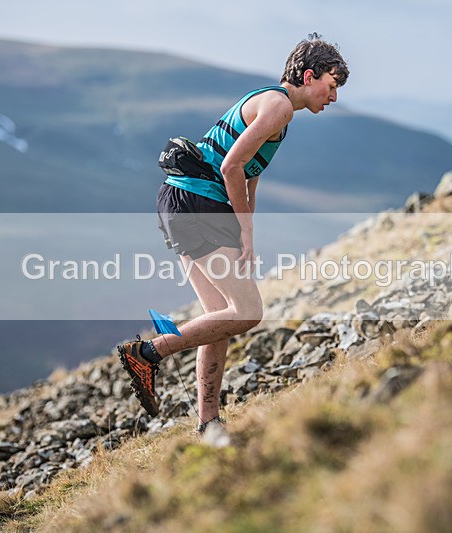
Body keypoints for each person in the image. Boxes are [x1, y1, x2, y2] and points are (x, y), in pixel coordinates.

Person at [117, 33, 349, 433]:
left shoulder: (271, 102)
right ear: (309, 76)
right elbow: (230, 169)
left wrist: (247, 232)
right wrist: (244, 227)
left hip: (181, 201)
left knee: (220, 317)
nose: (333, 96)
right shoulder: (279, 108)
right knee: (247, 312)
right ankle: (148, 352)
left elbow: (249, 173)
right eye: (331, 85)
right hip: (199, 204)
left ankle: (208, 422)